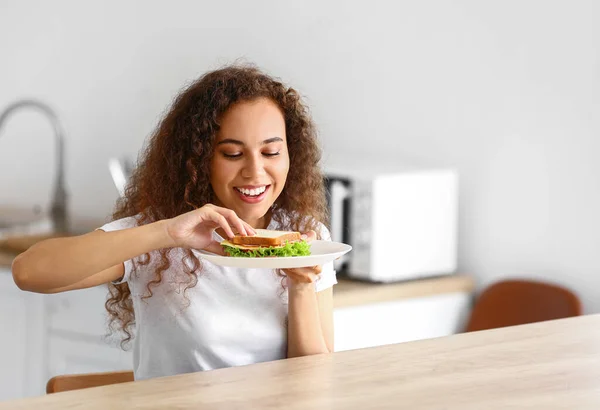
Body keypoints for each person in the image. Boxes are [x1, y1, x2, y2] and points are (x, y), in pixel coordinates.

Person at [12, 63, 336, 380]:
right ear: (198, 159)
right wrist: (166, 233)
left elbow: (315, 382)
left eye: (271, 153)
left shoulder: (305, 237)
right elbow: (28, 272)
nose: (254, 171)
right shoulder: (164, 237)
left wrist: (301, 284)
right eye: (233, 154)